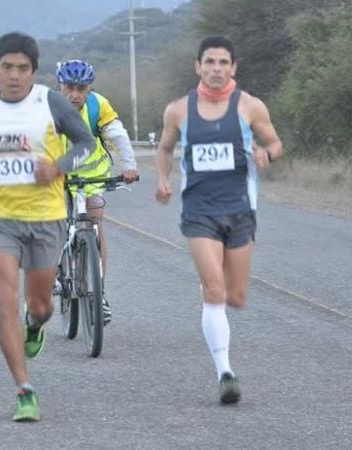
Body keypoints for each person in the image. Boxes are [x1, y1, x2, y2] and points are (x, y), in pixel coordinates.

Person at [0, 31, 97, 422]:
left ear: (34, 70)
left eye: (23, 68)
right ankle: (24, 389)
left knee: (40, 305)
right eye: (7, 68)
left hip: (45, 217)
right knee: (4, 297)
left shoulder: (50, 101)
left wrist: (58, 167)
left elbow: (85, 144)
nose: (14, 76)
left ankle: (37, 324)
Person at [154, 36, 283, 405]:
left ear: (233, 67)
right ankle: (224, 372)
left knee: (236, 296)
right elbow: (164, 148)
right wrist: (163, 179)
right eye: (209, 62)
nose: (215, 69)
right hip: (199, 211)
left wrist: (266, 155)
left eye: (223, 63)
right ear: (197, 66)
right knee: (214, 291)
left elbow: (276, 143)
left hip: (241, 209)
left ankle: (215, 298)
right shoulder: (178, 110)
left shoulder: (250, 106)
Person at [56, 59, 139, 325]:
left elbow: (118, 135)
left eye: (82, 88)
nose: (75, 94)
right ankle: (55, 272)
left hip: (92, 175)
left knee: (94, 225)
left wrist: (129, 165)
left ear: (89, 88)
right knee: (50, 222)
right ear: (61, 86)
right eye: (69, 87)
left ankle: (98, 292)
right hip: (55, 174)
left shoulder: (98, 105)